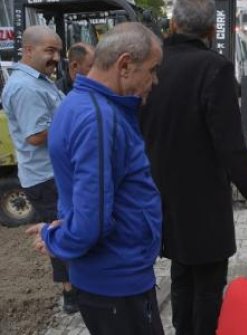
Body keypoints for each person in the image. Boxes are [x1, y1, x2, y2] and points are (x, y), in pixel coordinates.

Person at [140, 0, 247, 333]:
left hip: (162, 192)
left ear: (173, 25)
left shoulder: (154, 67)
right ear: (209, 31)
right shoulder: (214, 68)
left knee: (181, 274)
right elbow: (230, 148)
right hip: (202, 200)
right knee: (207, 285)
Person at [26, 22, 165, 334]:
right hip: (116, 284)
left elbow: (86, 198)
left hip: (115, 279)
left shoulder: (83, 105)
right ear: (125, 65)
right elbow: (90, 223)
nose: (154, 81)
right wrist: (54, 238)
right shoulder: (98, 119)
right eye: (152, 70)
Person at [1, 26, 78, 314]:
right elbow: (35, 136)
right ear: (28, 50)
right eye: (49, 50)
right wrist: (75, 125)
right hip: (46, 176)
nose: (56, 57)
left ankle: (75, 287)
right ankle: (71, 294)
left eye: (58, 51)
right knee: (60, 232)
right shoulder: (26, 87)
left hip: (53, 172)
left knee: (65, 228)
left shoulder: (40, 81)